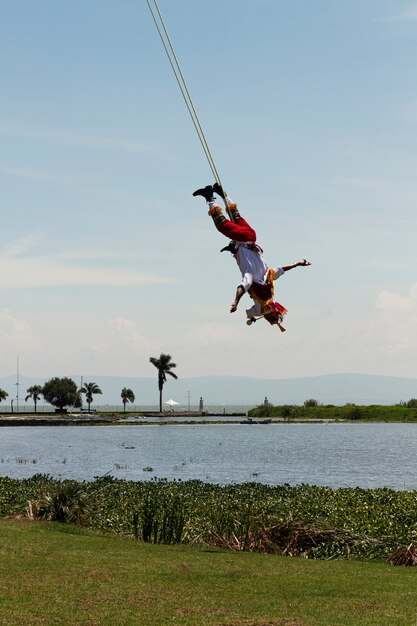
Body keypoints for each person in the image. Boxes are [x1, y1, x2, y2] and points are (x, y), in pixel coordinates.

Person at [193, 183, 311, 329]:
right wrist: (236, 301)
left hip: (251, 236)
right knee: (222, 225)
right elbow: (243, 287)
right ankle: (210, 196)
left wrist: (298, 264)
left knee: (236, 216)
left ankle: (222, 193)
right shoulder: (252, 280)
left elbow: (281, 270)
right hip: (242, 240)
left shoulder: (269, 280)